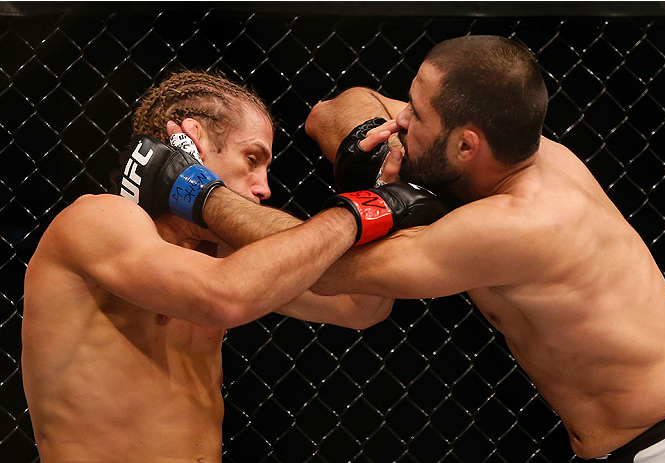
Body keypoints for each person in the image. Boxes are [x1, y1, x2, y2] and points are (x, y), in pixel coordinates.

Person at [21, 71, 447, 462]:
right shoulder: (98, 221)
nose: (263, 188)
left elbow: (361, 307)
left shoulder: (221, 255)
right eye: (251, 159)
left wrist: (374, 194)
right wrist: (357, 214)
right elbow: (223, 297)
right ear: (193, 140)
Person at [304, 35, 665, 462]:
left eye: (416, 113)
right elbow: (339, 107)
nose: (399, 117)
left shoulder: (518, 224)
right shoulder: (506, 152)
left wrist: (220, 208)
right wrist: (380, 155)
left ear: (466, 146)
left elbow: (319, 266)